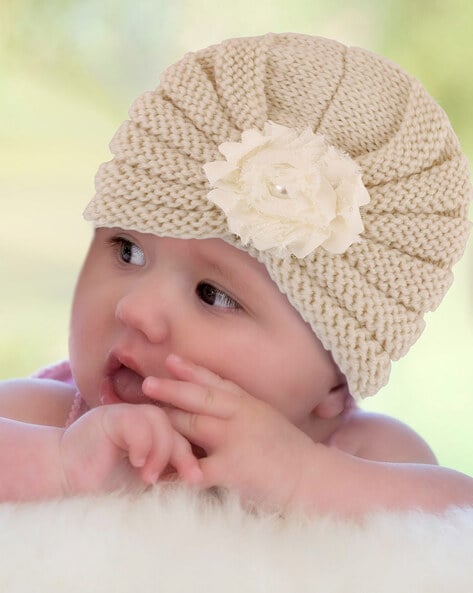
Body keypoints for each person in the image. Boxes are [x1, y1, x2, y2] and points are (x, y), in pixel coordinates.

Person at [1, 33, 472, 515]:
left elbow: (459, 522)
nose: (135, 308)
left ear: (335, 382)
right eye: (128, 251)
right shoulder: (48, 418)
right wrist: (60, 463)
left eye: (214, 295)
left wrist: (301, 476)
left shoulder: (357, 453)